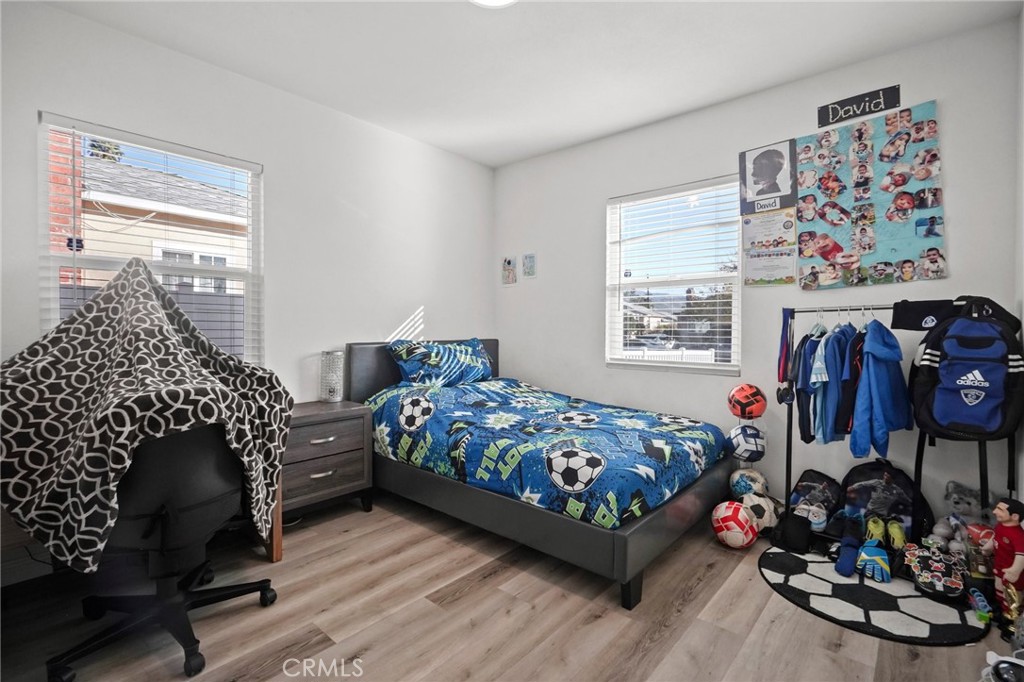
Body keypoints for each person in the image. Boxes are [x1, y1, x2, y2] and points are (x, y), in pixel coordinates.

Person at [992, 498, 1024, 629]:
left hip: (1011, 574)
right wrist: (987, 547)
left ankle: (1012, 623)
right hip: (999, 568)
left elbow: (1021, 555)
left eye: (1000, 510)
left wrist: (1015, 570)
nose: (994, 512)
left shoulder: (1018, 535)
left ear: (1014, 516)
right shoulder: (1000, 526)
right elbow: (995, 538)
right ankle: (1002, 612)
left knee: (1012, 597)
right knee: (999, 590)